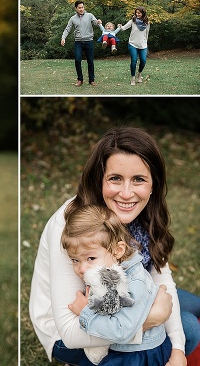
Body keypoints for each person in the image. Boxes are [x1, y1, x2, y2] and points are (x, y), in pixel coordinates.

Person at [29, 126, 200, 366]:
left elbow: (162, 282)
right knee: (190, 326)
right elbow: (68, 331)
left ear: (153, 185)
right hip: (75, 330)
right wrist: (150, 320)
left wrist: (179, 350)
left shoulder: (144, 215)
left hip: (126, 295)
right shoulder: (72, 223)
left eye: (139, 180)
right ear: (100, 180)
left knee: (193, 306)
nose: (126, 193)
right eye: (115, 179)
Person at [62, 204, 172, 365]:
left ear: (117, 251)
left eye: (90, 258)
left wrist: (85, 312)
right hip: (118, 347)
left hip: (139, 354)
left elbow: (121, 330)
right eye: (75, 260)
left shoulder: (134, 282)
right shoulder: (106, 271)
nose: (82, 269)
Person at [61, 0, 102, 86]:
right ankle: (80, 79)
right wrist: (63, 38)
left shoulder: (89, 15)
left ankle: (91, 80)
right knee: (77, 60)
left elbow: (95, 22)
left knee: (90, 61)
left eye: (82, 7)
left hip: (89, 41)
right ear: (76, 8)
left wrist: (98, 22)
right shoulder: (72, 19)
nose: (81, 9)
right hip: (78, 42)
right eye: (79, 8)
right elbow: (67, 29)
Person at [119, 7, 151, 85]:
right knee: (134, 60)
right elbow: (124, 28)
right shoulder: (133, 21)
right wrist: (120, 26)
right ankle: (133, 78)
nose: (137, 14)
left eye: (139, 13)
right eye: (136, 13)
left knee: (143, 61)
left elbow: (147, 34)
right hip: (132, 44)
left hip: (143, 45)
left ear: (143, 13)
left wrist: (145, 43)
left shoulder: (147, 23)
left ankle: (139, 74)